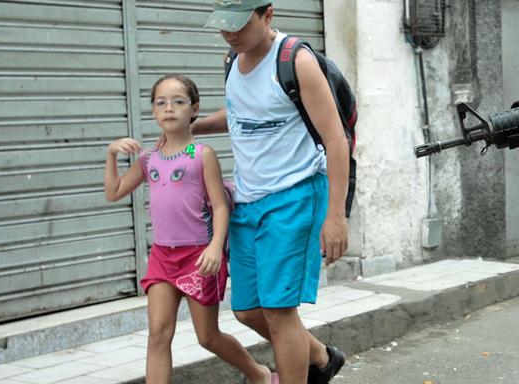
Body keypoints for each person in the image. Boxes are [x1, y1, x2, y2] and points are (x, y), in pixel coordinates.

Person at [194, 1, 349, 383]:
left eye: (240, 25)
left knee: (281, 313)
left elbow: (335, 139)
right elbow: (239, 115)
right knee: (247, 311)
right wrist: (190, 127)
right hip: (248, 202)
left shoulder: (295, 60)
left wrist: (336, 215)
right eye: (224, 26)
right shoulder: (233, 59)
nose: (230, 34)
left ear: (268, 15)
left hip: (295, 198)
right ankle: (320, 357)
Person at [104, 74, 275, 384]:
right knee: (158, 333)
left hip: (198, 258)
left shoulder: (202, 156)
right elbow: (114, 192)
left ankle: (259, 374)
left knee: (207, 337)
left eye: (178, 102)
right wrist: (112, 153)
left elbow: (220, 206)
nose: (169, 108)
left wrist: (215, 247)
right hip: (162, 258)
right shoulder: (148, 159)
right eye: (161, 103)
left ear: (194, 110)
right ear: (153, 111)